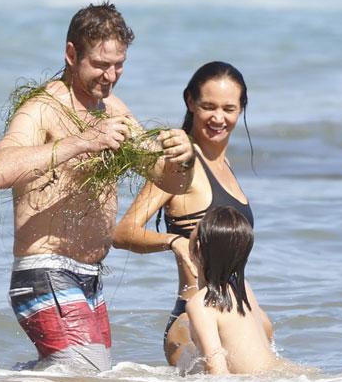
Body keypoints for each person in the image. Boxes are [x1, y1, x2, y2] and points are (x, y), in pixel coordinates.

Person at [0, 2, 194, 372]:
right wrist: (82, 142)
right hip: (43, 270)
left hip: (89, 278)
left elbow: (168, 180)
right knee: (87, 372)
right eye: (100, 64)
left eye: (119, 65)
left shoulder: (114, 110)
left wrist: (183, 158)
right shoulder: (41, 108)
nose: (110, 76)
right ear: (70, 53)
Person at [113, 61, 272, 365]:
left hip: (236, 316)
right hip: (192, 318)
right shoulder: (181, 167)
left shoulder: (226, 168)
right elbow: (122, 232)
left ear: (241, 109)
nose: (218, 117)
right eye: (208, 106)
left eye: (228, 108)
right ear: (190, 101)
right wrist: (175, 242)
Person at [185, 206, 284, 375]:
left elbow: (214, 365)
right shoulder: (242, 287)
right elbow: (267, 329)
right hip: (281, 372)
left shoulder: (201, 304)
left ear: (198, 248)